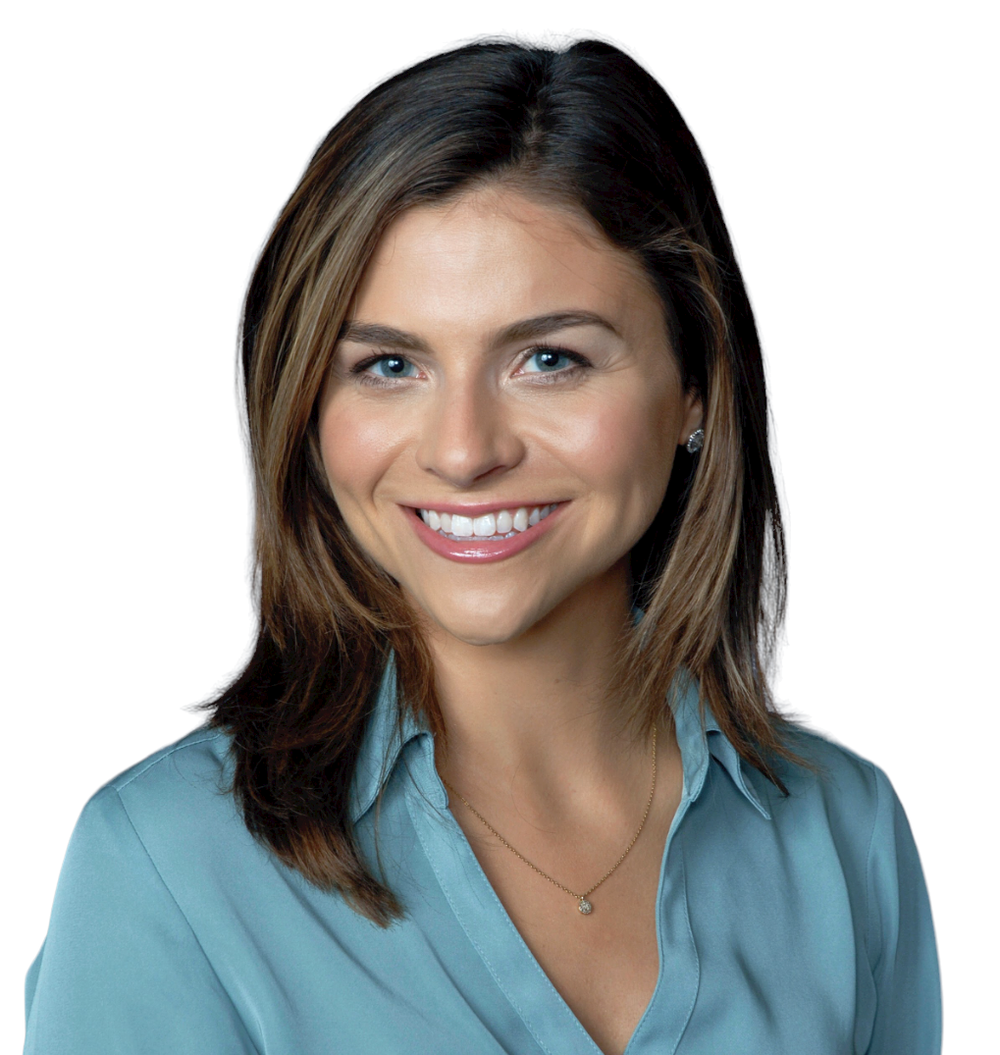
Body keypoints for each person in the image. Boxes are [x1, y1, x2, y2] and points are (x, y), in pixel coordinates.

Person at [23, 38, 941, 1055]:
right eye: (387, 365)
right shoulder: (167, 867)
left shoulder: (842, 835)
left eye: (548, 359)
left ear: (694, 383)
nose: (463, 450)